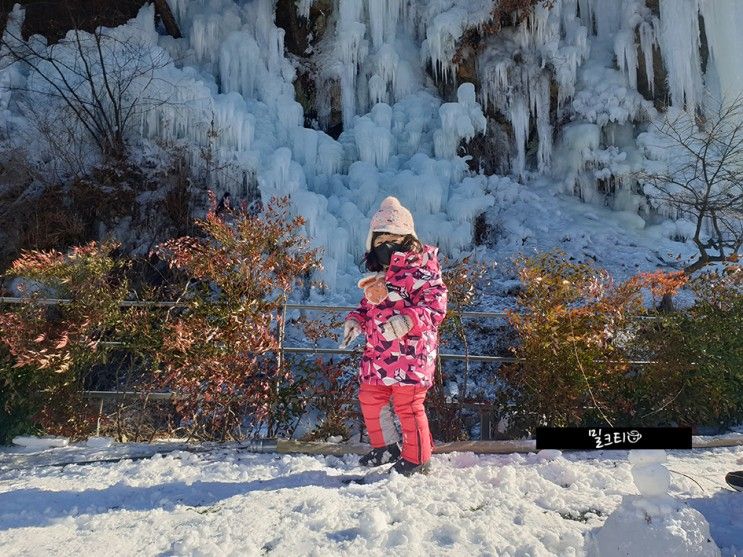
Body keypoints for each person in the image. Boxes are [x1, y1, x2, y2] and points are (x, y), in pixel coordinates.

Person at [340, 196, 448, 476]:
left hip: (412, 355)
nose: (387, 245)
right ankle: (386, 446)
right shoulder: (380, 276)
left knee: (408, 405)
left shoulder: (424, 271)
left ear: (408, 238)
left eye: (394, 237)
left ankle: (418, 459)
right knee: (369, 398)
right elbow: (369, 305)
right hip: (378, 354)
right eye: (380, 240)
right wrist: (356, 319)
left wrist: (406, 321)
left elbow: (435, 307)